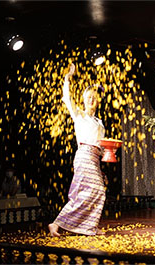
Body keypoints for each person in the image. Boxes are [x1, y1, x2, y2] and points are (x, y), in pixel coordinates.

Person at [48, 63, 106, 236]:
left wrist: (108, 152)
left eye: (94, 98)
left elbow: (101, 145)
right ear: (83, 99)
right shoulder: (79, 115)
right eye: (89, 97)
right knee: (83, 193)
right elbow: (67, 99)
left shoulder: (100, 123)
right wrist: (68, 78)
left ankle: (89, 226)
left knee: (98, 191)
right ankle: (56, 223)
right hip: (83, 156)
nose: (92, 100)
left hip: (94, 158)